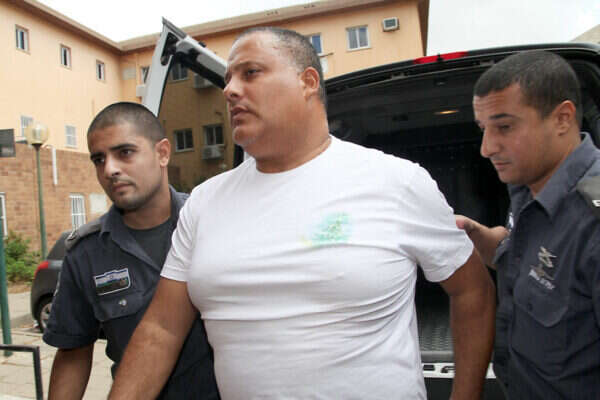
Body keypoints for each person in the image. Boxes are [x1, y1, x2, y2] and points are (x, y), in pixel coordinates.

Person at [109, 28, 495, 400]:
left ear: (308, 82)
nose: (229, 90)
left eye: (250, 73)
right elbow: (161, 330)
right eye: (227, 80)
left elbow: (472, 291)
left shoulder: (397, 182)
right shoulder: (204, 202)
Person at [42, 102, 220, 399]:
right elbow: (73, 351)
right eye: (99, 159)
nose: (109, 169)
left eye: (124, 152)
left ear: (162, 153)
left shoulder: (213, 223)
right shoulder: (86, 253)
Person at [456, 50, 600, 399]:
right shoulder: (529, 186)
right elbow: (527, 255)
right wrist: (477, 235)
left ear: (562, 118)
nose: (487, 148)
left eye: (504, 127)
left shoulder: (591, 223)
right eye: (483, 129)